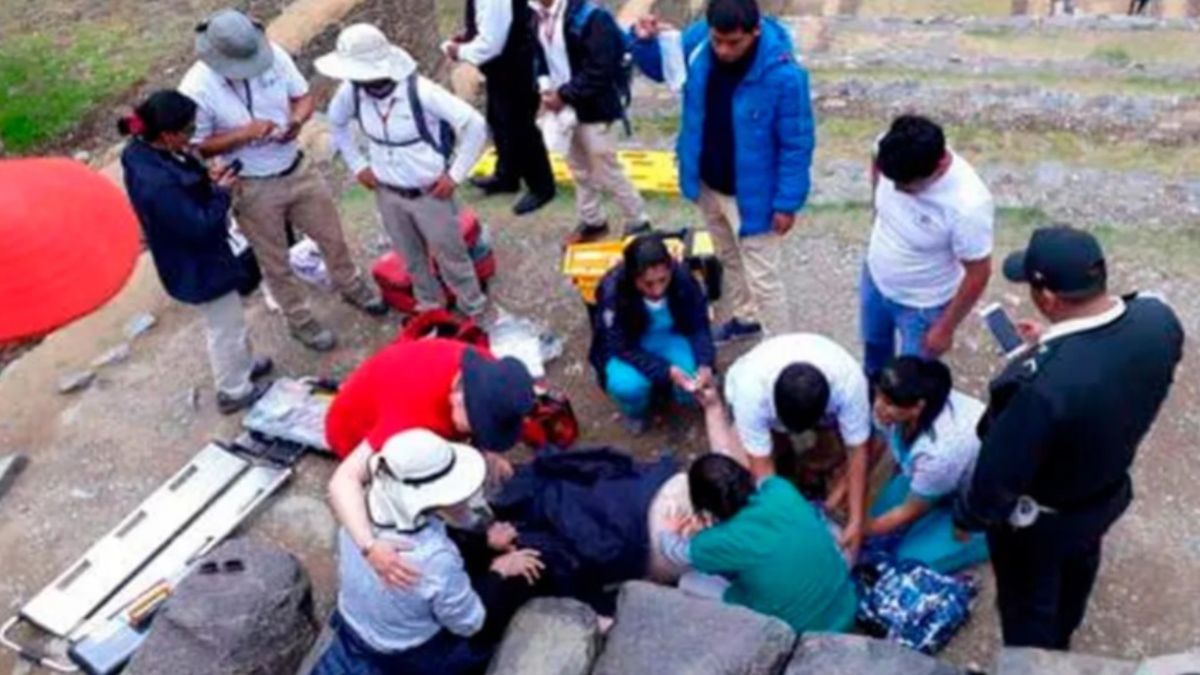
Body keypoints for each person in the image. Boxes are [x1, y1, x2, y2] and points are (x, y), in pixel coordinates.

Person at [955, 226, 1183, 650]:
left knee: (1028, 611)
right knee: (1079, 566)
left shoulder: (1035, 387)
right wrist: (1053, 344)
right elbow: (1111, 359)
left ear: (1048, 299)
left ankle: (1041, 658)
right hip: (1105, 492)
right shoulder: (1158, 321)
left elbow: (994, 483)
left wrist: (966, 516)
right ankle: (1067, 626)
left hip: (1041, 522)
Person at [180, 9, 385, 352]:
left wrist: (296, 121)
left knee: (331, 236)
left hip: (296, 166)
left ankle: (351, 286)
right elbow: (197, 146)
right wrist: (243, 134)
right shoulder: (196, 88)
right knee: (275, 262)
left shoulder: (272, 56)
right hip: (251, 185)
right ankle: (301, 322)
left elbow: (304, 97)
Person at [630, 0, 815, 342]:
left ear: (755, 31)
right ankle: (747, 318)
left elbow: (796, 145)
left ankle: (781, 351)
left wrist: (787, 203)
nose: (724, 50)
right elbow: (665, 69)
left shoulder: (785, 76)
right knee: (728, 256)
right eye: (719, 40)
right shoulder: (700, 40)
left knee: (764, 279)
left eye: (734, 43)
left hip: (753, 197)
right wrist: (643, 42)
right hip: (707, 183)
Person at [316, 430, 545, 675]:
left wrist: (484, 542)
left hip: (353, 623)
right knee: (498, 604)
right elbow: (468, 623)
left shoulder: (357, 514)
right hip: (409, 653)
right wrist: (500, 571)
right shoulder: (434, 557)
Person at [318, 24, 492, 324]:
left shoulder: (419, 90)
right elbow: (336, 123)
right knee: (411, 258)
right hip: (388, 193)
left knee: (452, 257)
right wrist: (358, 164)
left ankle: (474, 308)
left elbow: (474, 124)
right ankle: (430, 306)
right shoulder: (352, 91)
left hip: (429, 193)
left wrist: (454, 175)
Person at [326, 338, 535, 586]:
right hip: (353, 429)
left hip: (393, 389)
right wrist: (370, 547)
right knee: (421, 487)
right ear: (457, 397)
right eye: (478, 425)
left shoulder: (485, 368)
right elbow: (342, 480)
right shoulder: (410, 421)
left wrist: (489, 451)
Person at [657, 380, 858, 634]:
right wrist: (714, 408)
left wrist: (669, 530)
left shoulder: (717, 541)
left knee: (688, 582)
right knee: (828, 531)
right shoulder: (778, 489)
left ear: (705, 505)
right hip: (847, 605)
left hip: (804, 630)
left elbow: (672, 551)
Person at [119, 90, 273, 415]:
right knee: (225, 325)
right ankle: (234, 389)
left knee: (229, 319)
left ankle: (241, 367)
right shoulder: (157, 184)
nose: (193, 138)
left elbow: (185, 181)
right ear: (166, 135)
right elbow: (200, 225)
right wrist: (221, 194)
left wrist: (205, 181)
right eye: (187, 131)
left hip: (196, 256)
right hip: (198, 263)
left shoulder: (141, 153)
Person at [862, 114, 993, 381]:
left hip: (921, 306)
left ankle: (900, 421)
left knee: (909, 382)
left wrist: (944, 328)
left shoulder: (968, 206)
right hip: (875, 280)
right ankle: (873, 392)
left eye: (907, 186)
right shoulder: (892, 150)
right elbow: (876, 161)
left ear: (940, 163)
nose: (896, 190)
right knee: (874, 347)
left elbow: (979, 273)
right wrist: (878, 208)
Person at [722, 333, 873, 560]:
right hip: (746, 388)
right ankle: (786, 459)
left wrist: (856, 520)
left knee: (832, 453)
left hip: (821, 402)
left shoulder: (849, 383)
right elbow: (762, 467)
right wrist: (782, 524)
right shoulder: (750, 393)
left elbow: (858, 451)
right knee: (760, 465)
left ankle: (812, 462)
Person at [530, 0, 649, 243]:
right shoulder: (535, 15)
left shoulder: (592, 18)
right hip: (564, 109)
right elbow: (539, 56)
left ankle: (638, 220)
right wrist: (545, 88)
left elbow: (600, 69)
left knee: (605, 168)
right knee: (579, 169)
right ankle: (593, 220)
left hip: (595, 108)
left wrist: (563, 95)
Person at [866, 356, 988, 574]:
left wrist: (860, 530)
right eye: (877, 396)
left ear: (917, 407)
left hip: (980, 497)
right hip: (942, 476)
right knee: (877, 526)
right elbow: (875, 444)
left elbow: (909, 511)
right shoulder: (892, 410)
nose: (878, 407)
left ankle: (984, 537)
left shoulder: (940, 451)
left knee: (904, 560)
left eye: (888, 403)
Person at [588, 234, 715, 432]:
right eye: (648, 284)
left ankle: (678, 395)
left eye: (663, 280)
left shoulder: (683, 278)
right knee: (626, 386)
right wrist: (666, 370)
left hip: (671, 336)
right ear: (632, 277)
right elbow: (618, 344)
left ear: (670, 270)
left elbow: (698, 324)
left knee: (694, 376)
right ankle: (635, 411)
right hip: (631, 345)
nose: (657, 290)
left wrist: (705, 362)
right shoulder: (613, 291)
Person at [444, 0, 556, 215]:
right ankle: (507, 175)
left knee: (520, 127)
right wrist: (470, 36)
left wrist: (459, 51)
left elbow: (491, 45)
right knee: (498, 119)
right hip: (502, 64)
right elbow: (488, 25)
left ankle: (542, 187)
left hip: (516, 64)